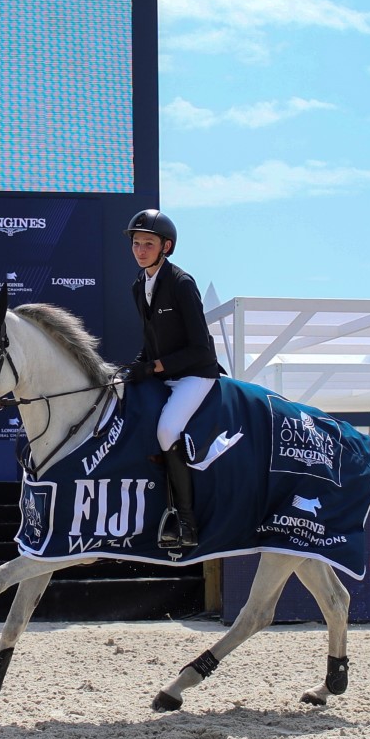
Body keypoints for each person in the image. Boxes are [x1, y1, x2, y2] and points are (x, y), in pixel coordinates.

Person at [122, 209, 223, 549]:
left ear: (167, 247)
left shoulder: (181, 283)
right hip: (167, 374)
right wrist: (134, 367)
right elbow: (152, 341)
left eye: (148, 244)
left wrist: (153, 368)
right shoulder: (140, 286)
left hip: (196, 375)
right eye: (136, 244)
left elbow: (201, 349)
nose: (140, 250)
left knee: (167, 430)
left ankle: (186, 522)